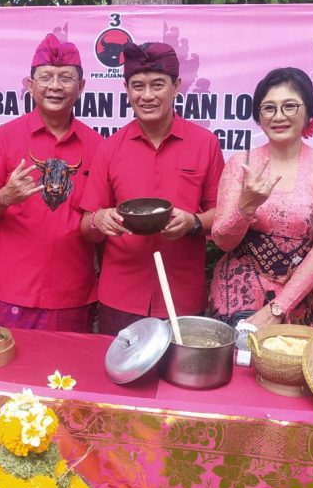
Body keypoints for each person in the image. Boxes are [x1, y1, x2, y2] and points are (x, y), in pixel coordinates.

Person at [80, 42, 224, 334]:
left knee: (179, 377)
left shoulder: (204, 144)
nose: (147, 96)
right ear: (126, 89)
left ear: (176, 86)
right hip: (120, 296)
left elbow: (220, 215)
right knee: (119, 377)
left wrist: (193, 222)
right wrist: (100, 219)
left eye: (157, 85)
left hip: (181, 296)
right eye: (137, 86)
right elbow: (85, 224)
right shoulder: (110, 149)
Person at [0, 34, 102, 331]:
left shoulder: (96, 145)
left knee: (67, 376)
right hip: (12, 290)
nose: (55, 86)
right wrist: (4, 197)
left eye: (65, 78)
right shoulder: (4, 138)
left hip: (74, 292)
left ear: (80, 87)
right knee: (11, 373)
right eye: (46, 77)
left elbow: (98, 218)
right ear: (30, 86)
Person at [210, 67, 313, 328]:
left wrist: (279, 308)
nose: (279, 116)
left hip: (300, 301)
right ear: (258, 116)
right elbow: (222, 241)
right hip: (236, 298)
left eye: (289, 106)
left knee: (290, 367)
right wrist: (247, 206)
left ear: (308, 111)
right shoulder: (241, 163)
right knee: (236, 368)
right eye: (269, 108)